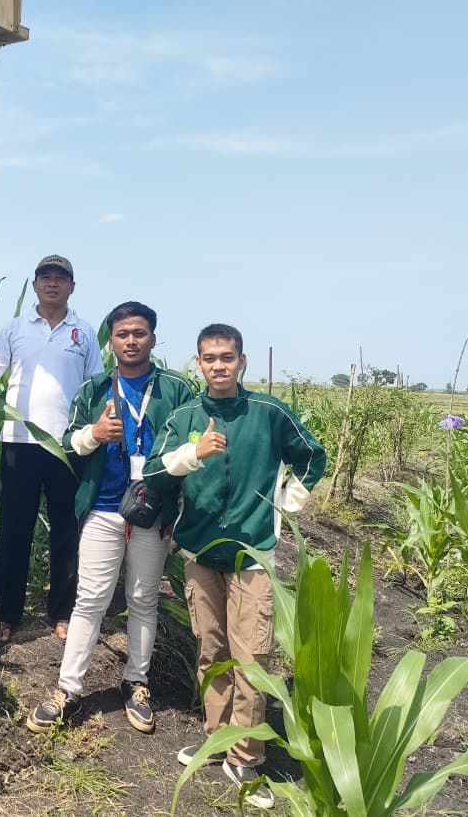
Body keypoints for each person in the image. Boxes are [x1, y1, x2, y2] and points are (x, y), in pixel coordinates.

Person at [144, 324, 325, 809]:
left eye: (227, 357)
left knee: (253, 656)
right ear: (198, 364)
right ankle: (215, 737)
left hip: (252, 554)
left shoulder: (267, 413)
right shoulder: (186, 415)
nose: (218, 366)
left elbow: (312, 455)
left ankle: (245, 756)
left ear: (242, 361)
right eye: (209, 358)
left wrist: (288, 502)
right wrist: (192, 454)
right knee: (211, 650)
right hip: (200, 553)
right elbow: (154, 472)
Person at [25, 302, 196, 735]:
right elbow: (67, 441)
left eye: (140, 333)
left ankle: (136, 683)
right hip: (102, 507)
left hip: (152, 510)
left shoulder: (176, 391)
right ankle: (69, 689)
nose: (131, 341)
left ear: (153, 339)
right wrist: (93, 435)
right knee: (90, 599)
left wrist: (180, 512)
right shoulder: (94, 389)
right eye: (122, 334)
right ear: (112, 341)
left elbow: (195, 448)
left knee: (143, 598)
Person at [0, 255, 103, 644]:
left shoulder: (83, 332)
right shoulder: (14, 328)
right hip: (19, 443)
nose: (53, 283)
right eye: (45, 277)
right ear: (34, 285)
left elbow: (95, 387)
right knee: (14, 531)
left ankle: (62, 611)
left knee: (67, 531)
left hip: (69, 446)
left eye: (61, 278)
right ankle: (8, 612)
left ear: (72, 287)